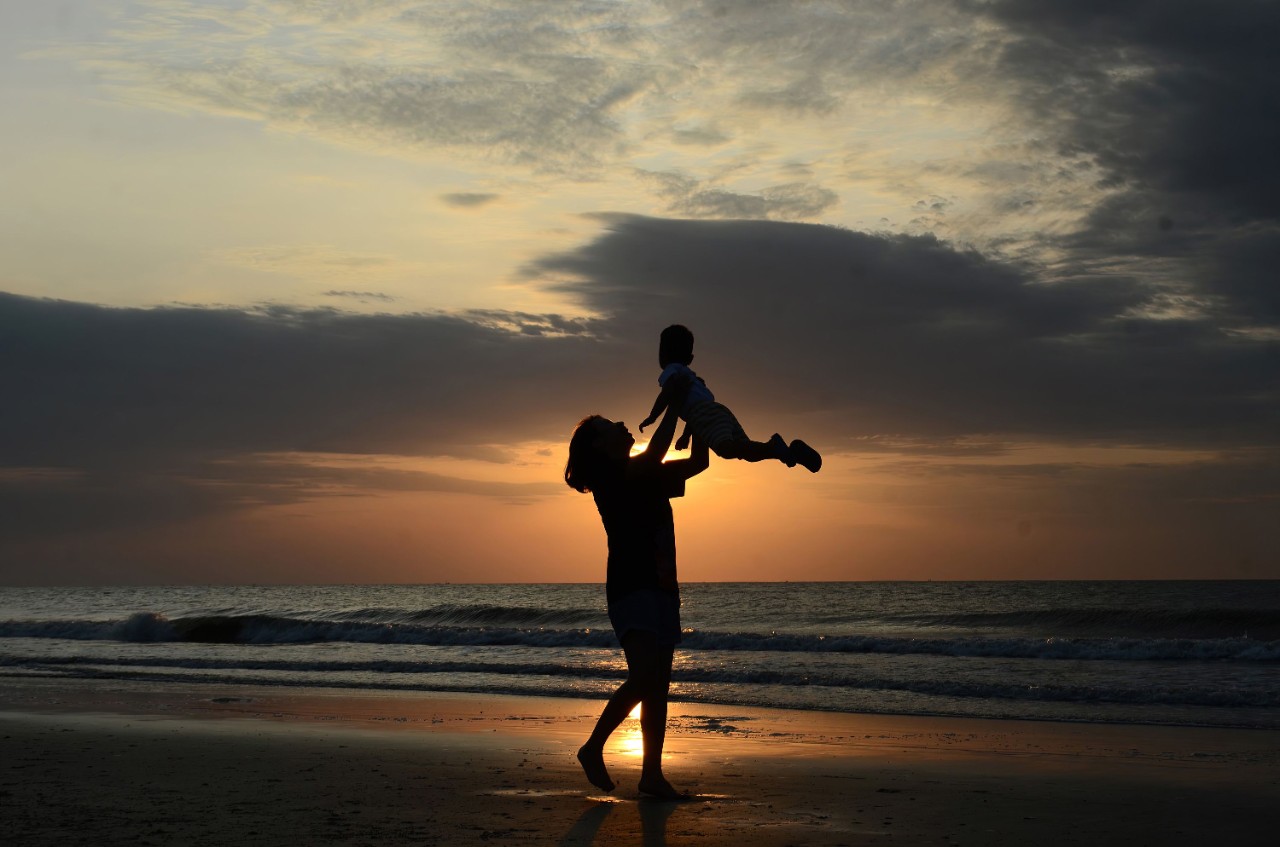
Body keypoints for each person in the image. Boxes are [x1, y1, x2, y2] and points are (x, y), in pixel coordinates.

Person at [564, 378, 708, 800]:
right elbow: (655, 454)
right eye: (612, 426)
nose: (625, 424)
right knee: (645, 678)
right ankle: (592, 748)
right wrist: (677, 403)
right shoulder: (613, 476)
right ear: (599, 448)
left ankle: (652, 776)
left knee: (658, 686)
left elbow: (698, 461)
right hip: (632, 587)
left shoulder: (645, 472)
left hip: (663, 586)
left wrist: (696, 413)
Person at [638, 324, 822, 473]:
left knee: (726, 449)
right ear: (691, 358)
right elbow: (694, 411)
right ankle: (789, 453)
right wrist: (686, 436)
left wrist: (652, 416)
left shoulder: (671, 371)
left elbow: (669, 394)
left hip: (705, 414)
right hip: (718, 410)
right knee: (743, 448)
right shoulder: (692, 378)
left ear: (664, 356)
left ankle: (774, 447)